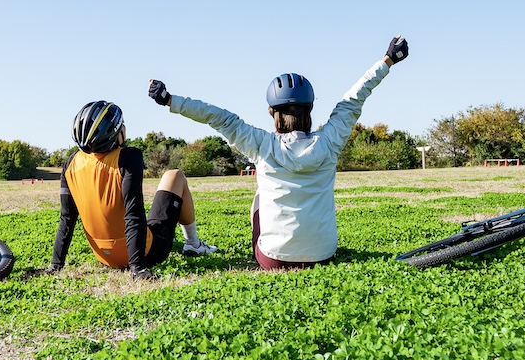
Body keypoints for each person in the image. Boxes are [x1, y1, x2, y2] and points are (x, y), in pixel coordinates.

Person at [148, 35, 409, 270]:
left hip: (273, 258)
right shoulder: (330, 141)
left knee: (259, 198)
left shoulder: (262, 144)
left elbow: (218, 117)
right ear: (310, 108)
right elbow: (354, 99)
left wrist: (170, 100)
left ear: (272, 112)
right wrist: (388, 59)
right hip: (323, 255)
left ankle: (251, 251)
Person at [47, 100, 218, 276]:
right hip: (145, 253)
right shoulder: (128, 157)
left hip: (104, 258)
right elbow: (133, 213)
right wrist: (138, 268)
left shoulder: (71, 163)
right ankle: (193, 244)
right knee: (175, 176)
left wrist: (55, 266)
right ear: (116, 131)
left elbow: (67, 219)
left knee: (149, 221)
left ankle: (56, 265)